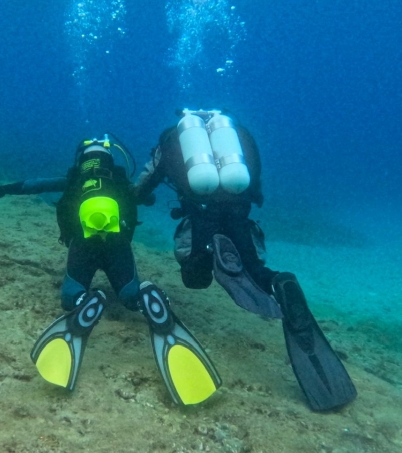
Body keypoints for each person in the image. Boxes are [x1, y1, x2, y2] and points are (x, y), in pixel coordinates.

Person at [134, 110, 357, 411]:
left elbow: (150, 178)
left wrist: (136, 197)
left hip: (201, 214)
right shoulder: (237, 136)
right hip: (239, 210)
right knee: (255, 270)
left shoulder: (173, 138)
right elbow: (254, 173)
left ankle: (212, 251)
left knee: (194, 278)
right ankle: (279, 281)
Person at [0, 135, 220, 405]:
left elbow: (35, 185)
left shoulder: (74, 179)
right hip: (117, 244)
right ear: (110, 159)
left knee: (70, 294)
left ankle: (85, 300)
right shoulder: (119, 182)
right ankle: (145, 297)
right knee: (129, 294)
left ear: (81, 158)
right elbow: (147, 197)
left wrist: (2, 188)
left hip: (83, 243)